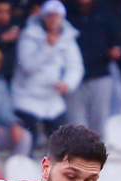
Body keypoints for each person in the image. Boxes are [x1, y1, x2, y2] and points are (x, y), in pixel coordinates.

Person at [11, 0, 84, 150]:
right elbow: (27, 66)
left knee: (62, 140)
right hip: (27, 96)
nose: (53, 19)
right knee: (30, 139)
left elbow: (75, 66)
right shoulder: (29, 35)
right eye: (49, 16)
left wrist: (67, 83)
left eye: (57, 16)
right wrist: (48, 47)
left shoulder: (68, 38)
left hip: (52, 97)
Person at [65, 0, 121, 137]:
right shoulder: (67, 12)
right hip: (74, 78)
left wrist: (117, 51)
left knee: (98, 125)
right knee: (75, 127)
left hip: (100, 74)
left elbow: (117, 44)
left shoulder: (105, 12)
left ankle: (96, 157)